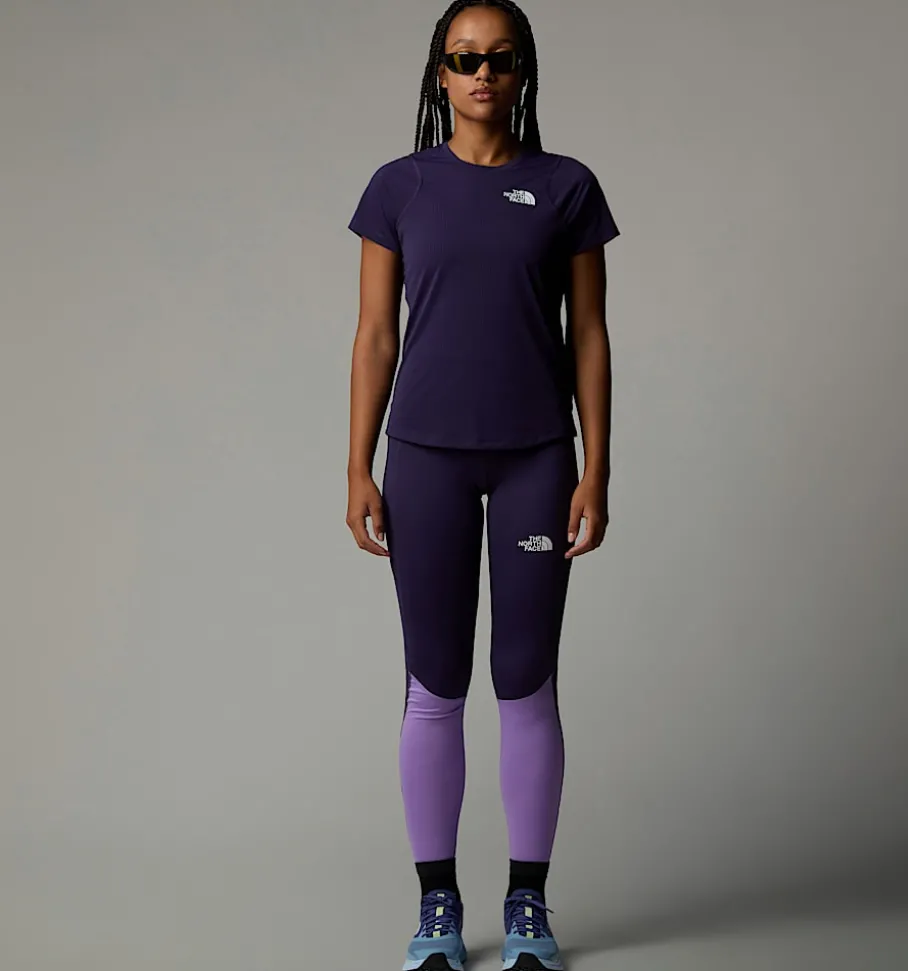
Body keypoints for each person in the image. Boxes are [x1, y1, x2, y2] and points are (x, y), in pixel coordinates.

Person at [346, 2, 619, 968]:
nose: (482, 75)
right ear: (440, 74)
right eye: (464, 60)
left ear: (521, 72)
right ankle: (437, 909)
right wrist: (357, 464)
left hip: (537, 456)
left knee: (526, 678)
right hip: (425, 459)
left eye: (500, 59)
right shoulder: (399, 187)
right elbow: (375, 335)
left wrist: (596, 465)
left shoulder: (567, 187)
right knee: (434, 681)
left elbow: (590, 334)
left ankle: (529, 906)